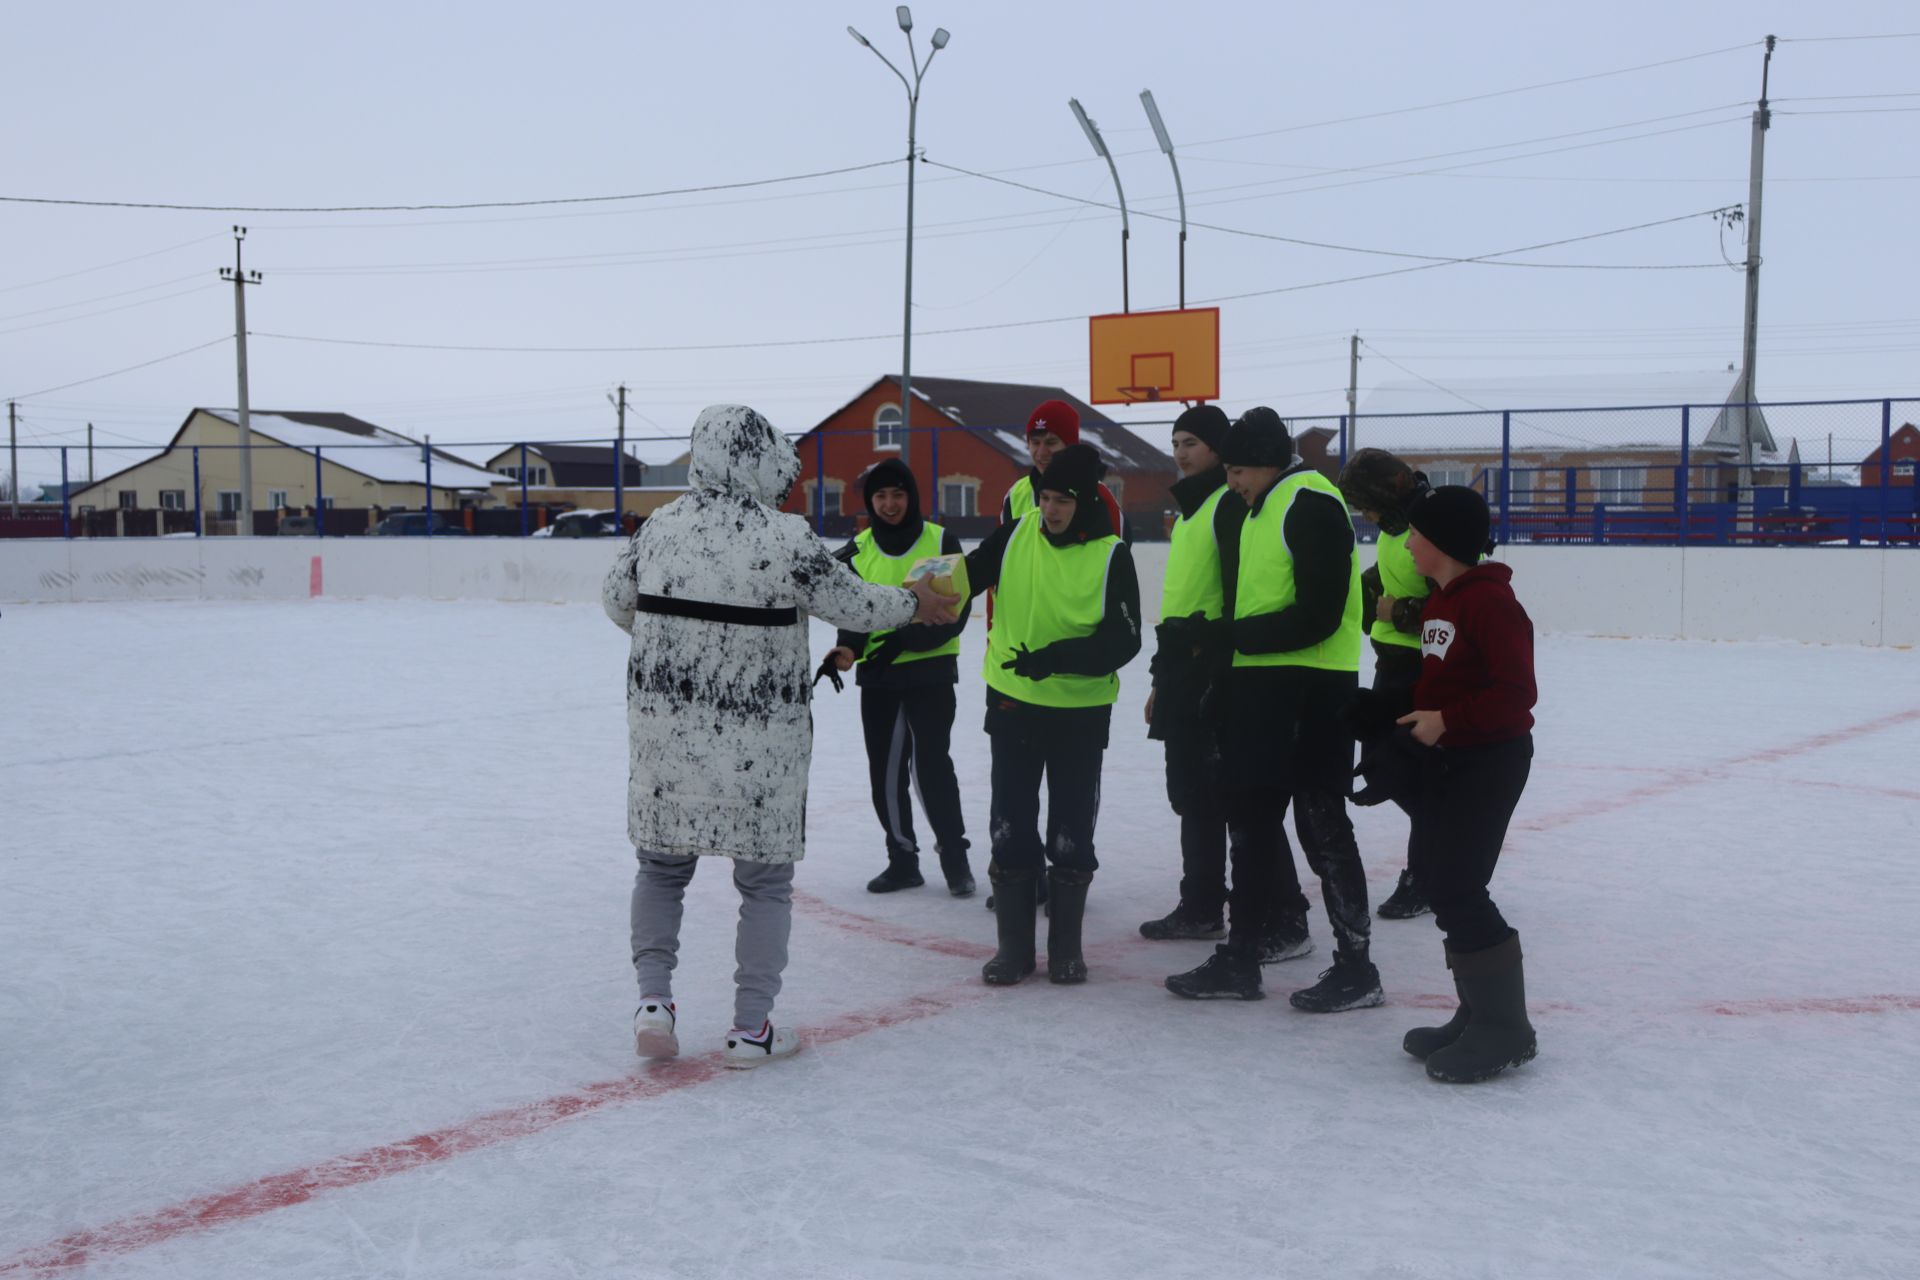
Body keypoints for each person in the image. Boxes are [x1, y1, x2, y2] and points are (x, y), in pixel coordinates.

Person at [603, 405, 958, 1068]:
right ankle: (750, 1027)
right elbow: (853, 602)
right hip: (760, 748)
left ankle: (654, 1002)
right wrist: (916, 603)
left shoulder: (661, 528)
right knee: (763, 884)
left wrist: (683, 641)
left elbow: (617, 600)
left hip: (667, 734)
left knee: (660, 868)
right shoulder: (783, 536)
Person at [1165, 408, 1379, 1011]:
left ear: (1267, 462)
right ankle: (1242, 956)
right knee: (1252, 825)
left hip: (1312, 690)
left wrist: (1233, 637)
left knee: (1321, 828)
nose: (1230, 483)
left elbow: (1321, 613)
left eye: (1237, 471)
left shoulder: (1311, 501)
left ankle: (1357, 966)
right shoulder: (1258, 507)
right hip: (1262, 688)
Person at [1353, 486, 1539, 1083]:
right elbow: (1438, 690)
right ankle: (1478, 1012)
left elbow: (1515, 695)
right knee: (1438, 878)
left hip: (1490, 758)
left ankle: (1506, 1029)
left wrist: (1448, 722)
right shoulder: (1441, 603)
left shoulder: (1490, 605)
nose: (1405, 544)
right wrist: (1381, 710)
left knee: (1459, 885)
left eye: (1415, 535)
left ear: (1440, 542)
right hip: (1453, 758)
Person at [961, 443, 1141, 986]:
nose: (1052, 510)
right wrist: (919, 597)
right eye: (1045, 498)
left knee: (1069, 833)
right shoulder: (1016, 533)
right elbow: (965, 576)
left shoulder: (1112, 554)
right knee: (1010, 826)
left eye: (1063, 500)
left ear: (1084, 501)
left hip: (1079, 714)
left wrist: (1057, 660)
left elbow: (1126, 639)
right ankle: (1014, 952)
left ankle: (1066, 950)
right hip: (1013, 703)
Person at [1138, 404, 1308, 967]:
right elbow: (1181, 601)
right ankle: (1203, 902)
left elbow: (1238, 594)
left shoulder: (1227, 507)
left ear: (1220, 450)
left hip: (1217, 668)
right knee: (1194, 796)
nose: (1182, 452)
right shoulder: (1190, 510)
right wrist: (1163, 678)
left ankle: (1286, 914)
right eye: (1176, 441)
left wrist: (1223, 669)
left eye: (1193, 442)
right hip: (1184, 668)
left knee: (1239, 799)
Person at [820, 458, 976, 897]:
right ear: (869, 500)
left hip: (931, 674)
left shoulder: (939, 539)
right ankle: (902, 859)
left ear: (912, 497)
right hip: (880, 680)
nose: (889, 504)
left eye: (898, 494)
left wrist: (901, 641)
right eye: (880, 495)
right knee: (886, 775)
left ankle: (955, 857)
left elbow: (953, 613)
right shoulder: (857, 550)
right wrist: (848, 649)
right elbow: (851, 615)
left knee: (931, 768)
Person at [1337, 448, 1434, 920]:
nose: (1365, 515)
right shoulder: (1398, 528)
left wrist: (1400, 613)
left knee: (1408, 772)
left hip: (1423, 670)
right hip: (1391, 663)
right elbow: (1393, 571)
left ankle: (1427, 871)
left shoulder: (1433, 524)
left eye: (1365, 505)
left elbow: (1461, 601)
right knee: (1382, 766)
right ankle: (1437, 856)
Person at [1000, 399, 1127, 541]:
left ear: (1070, 445)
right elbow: (1003, 552)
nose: (1041, 452)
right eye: (1035, 442)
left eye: (1051, 442)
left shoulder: (1099, 496)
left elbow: (1116, 554)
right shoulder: (1015, 496)